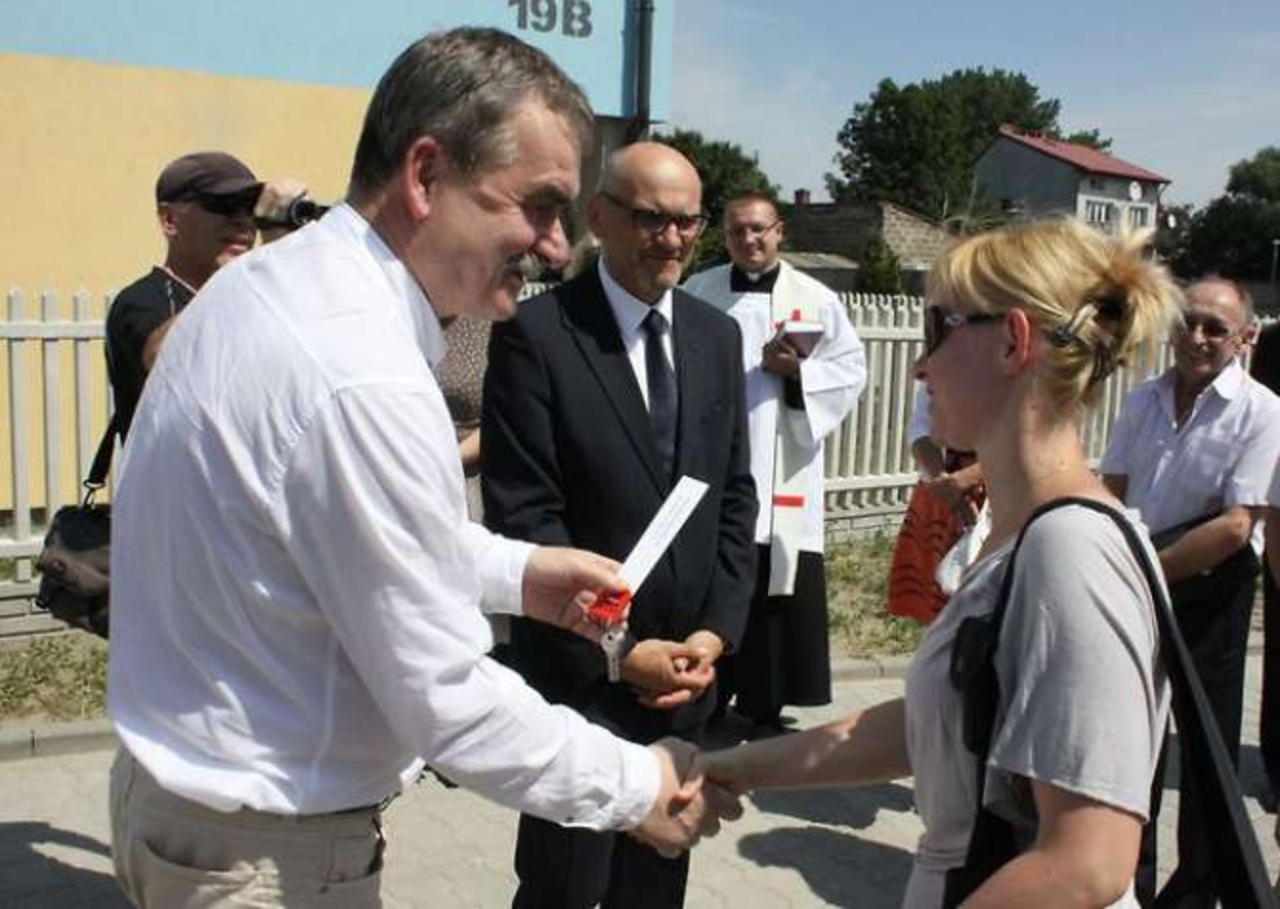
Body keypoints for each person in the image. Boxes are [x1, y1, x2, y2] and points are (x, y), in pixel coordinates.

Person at [107, 30, 731, 909]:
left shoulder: (276, 288)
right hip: (266, 853)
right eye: (540, 206)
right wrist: (640, 786)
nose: (557, 247)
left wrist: (520, 573)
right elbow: (446, 696)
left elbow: (339, 532)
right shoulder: (361, 373)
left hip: (196, 814)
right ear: (426, 174)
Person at [703, 216, 1178, 908]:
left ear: (1013, 341)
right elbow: (938, 722)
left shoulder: (1072, 550)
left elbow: (1086, 863)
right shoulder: (1018, 533)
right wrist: (734, 768)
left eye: (938, 330)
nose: (920, 366)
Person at [481, 142, 758, 908]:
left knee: (655, 884)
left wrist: (713, 635)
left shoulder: (716, 336)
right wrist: (619, 650)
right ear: (599, 217)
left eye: (687, 222)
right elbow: (527, 517)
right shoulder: (539, 334)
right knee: (565, 886)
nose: (671, 239)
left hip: (684, 682)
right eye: (650, 219)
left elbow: (735, 495)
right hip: (582, 684)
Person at [1101, 277, 1280, 905]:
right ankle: (1128, 885)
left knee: (1206, 756)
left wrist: (1143, 571)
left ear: (1245, 338)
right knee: (1133, 746)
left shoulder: (1262, 411)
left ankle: (1196, 894)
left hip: (1210, 591)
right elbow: (1113, 489)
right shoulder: (1142, 399)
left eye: (1214, 328)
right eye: (1188, 322)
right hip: (1138, 585)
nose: (1197, 337)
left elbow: (1236, 525)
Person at [683, 194, 865, 732]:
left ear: (779, 231)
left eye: (759, 229)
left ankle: (764, 703)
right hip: (713, 455)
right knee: (712, 570)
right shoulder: (698, 292)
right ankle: (706, 697)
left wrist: (797, 374)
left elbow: (850, 372)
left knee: (775, 576)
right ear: (724, 236)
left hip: (783, 458)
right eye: (737, 231)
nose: (749, 240)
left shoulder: (817, 299)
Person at [105, 151, 309, 440]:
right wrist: (264, 262)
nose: (243, 221)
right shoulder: (141, 301)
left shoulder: (254, 294)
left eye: (251, 207)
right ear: (170, 219)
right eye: (224, 206)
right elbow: (165, 360)